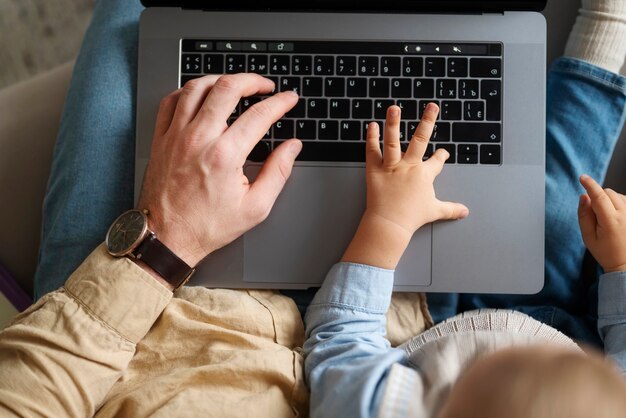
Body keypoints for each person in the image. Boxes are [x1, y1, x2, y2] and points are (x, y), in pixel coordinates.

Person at [0, 0, 623, 417]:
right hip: (438, 319)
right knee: (553, 221)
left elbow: (346, 352)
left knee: (130, 23)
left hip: (166, 329)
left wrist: (162, 244)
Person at [302, 0, 626, 416]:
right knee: (563, 212)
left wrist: (387, 222)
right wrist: (619, 268)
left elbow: (341, 340)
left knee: (544, 211)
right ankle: (608, 21)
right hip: (561, 324)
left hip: (434, 327)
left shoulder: (384, 409)